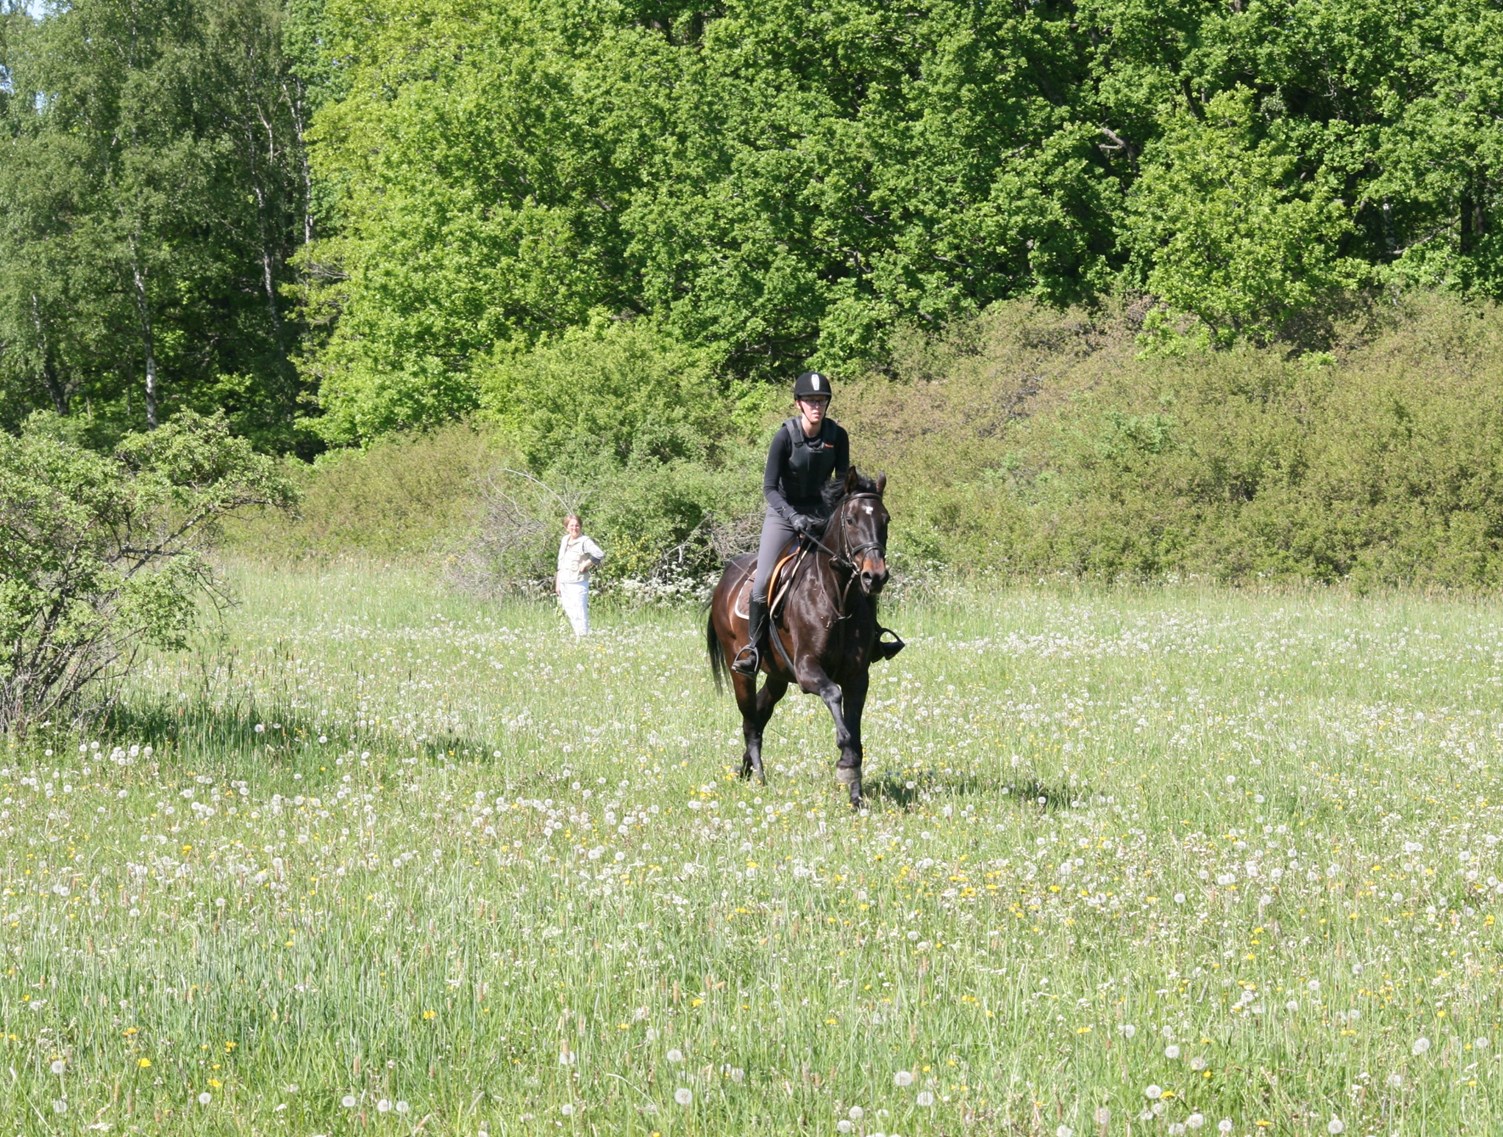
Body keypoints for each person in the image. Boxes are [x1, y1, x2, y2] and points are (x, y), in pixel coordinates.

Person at [730, 369, 848, 675]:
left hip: (821, 515)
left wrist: (832, 517)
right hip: (784, 515)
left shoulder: (838, 437)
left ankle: (873, 637)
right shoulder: (784, 436)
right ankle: (753, 649)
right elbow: (769, 488)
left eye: (821, 400)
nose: (816, 406)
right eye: (810, 400)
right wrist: (793, 516)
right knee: (764, 579)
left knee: (854, 570)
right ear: (798, 404)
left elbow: (841, 487)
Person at [555, 513, 604, 636]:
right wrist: (558, 582)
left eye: (577, 525)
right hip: (565, 582)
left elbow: (599, 554)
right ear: (566, 527)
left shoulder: (584, 541)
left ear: (580, 526)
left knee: (580, 612)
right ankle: (578, 636)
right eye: (571, 525)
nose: (574, 528)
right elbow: (560, 563)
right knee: (571, 612)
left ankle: (584, 638)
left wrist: (586, 564)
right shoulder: (565, 540)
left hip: (578, 583)